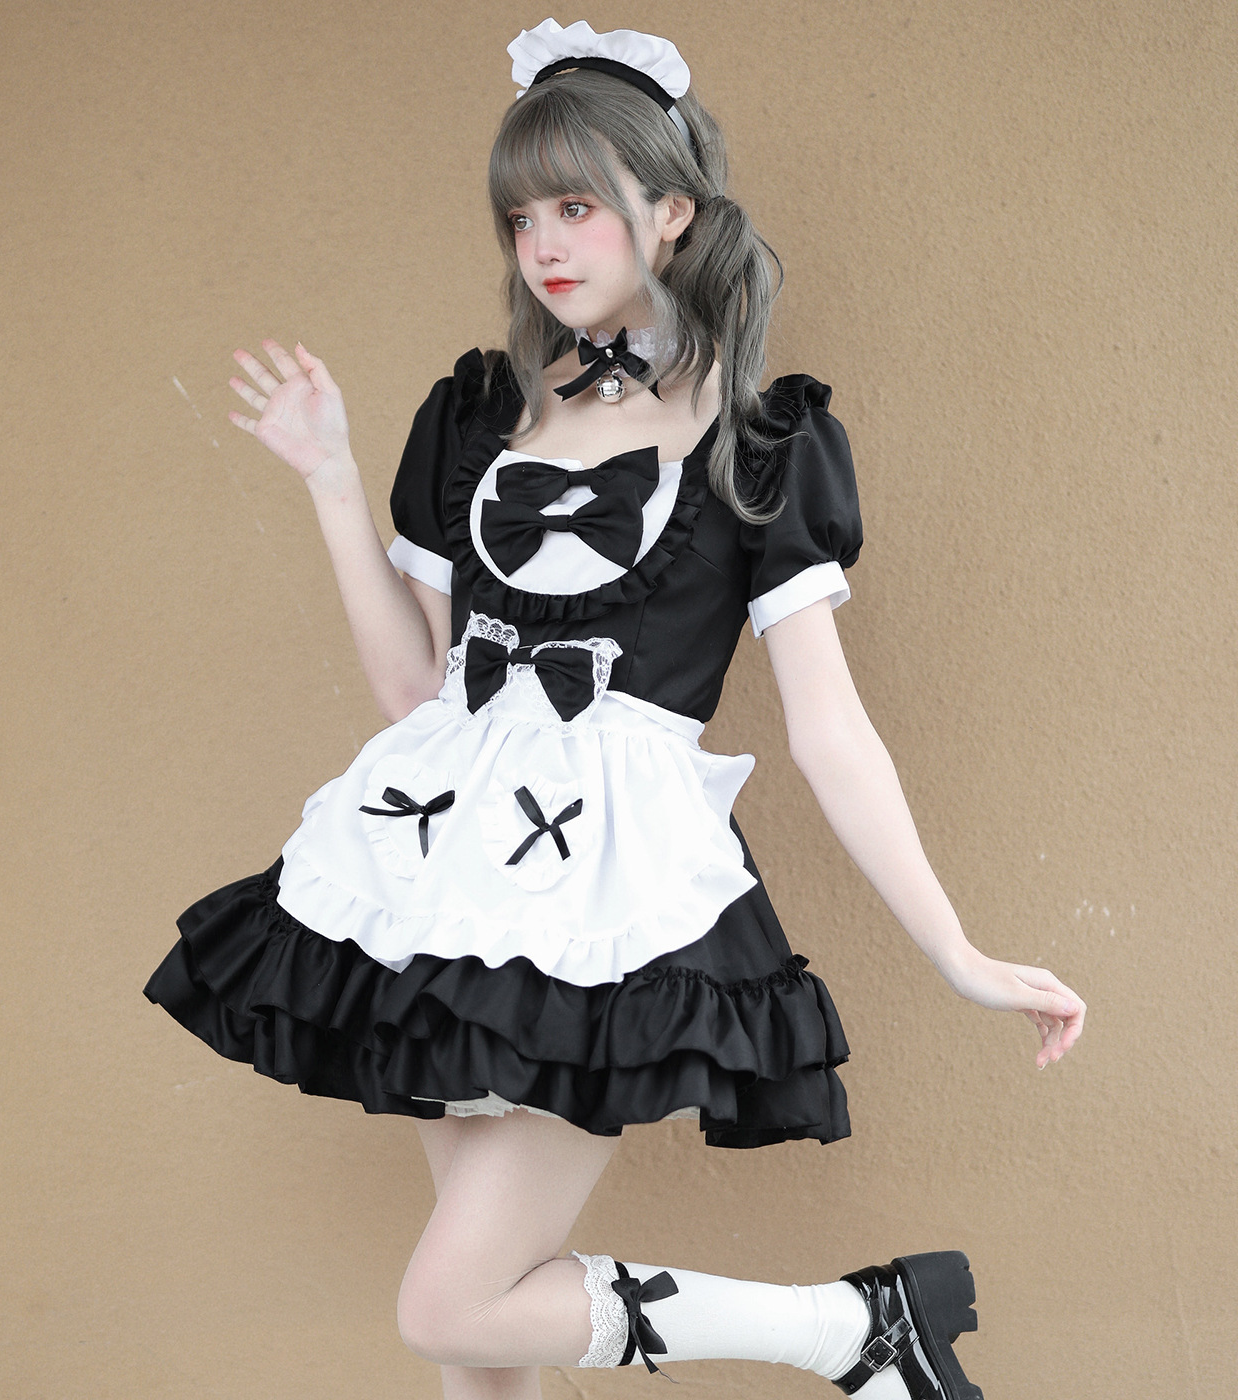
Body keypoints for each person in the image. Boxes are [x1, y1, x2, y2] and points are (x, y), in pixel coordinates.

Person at [144, 18, 1085, 1400]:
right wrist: (332, 480)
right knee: (485, 1326)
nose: (544, 243)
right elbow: (417, 691)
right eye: (522, 215)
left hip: (606, 888)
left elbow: (831, 730)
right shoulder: (480, 417)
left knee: (452, 1305)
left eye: (578, 205)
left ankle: (851, 1329)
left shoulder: (763, 446)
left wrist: (956, 950)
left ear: (674, 210)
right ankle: (861, 1333)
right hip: (433, 862)